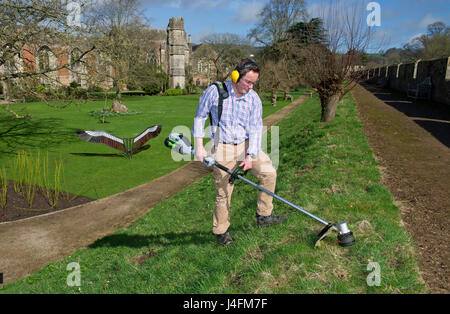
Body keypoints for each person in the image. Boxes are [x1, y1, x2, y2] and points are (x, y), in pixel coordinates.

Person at [192, 58, 287, 245]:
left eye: (254, 83)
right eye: (248, 82)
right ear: (236, 76)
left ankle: (264, 215)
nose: (251, 87)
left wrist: (251, 156)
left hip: (246, 144)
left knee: (269, 173)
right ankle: (221, 231)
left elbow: (255, 129)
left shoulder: (253, 99)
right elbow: (199, 117)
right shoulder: (215, 92)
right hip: (222, 146)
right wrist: (199, 146)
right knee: (224, 191)